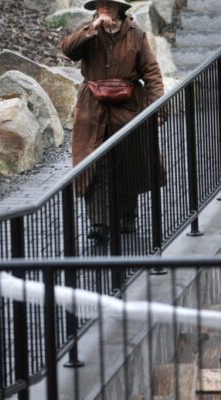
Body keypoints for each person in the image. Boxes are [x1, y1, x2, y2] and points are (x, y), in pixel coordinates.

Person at [60, 0, 165, 244]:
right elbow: (67, 50)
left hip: (128, 107)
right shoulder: (87, 30)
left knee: (127, 160)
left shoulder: (136, 34)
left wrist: (158, 107)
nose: (104, 6)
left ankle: (127, 215)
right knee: (93, 163)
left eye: (109, 3)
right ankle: (99, 223)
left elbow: (151, 72)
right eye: (100, 3)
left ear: (120, 8)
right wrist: (92, 28)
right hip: (92, 110)